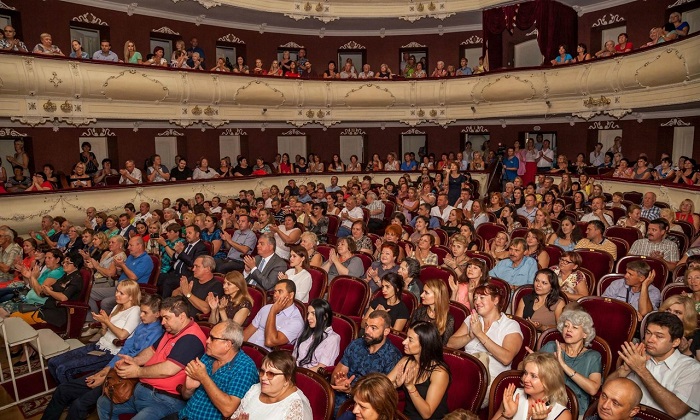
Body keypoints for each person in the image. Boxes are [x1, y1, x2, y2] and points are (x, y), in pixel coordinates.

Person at [41, 294, 164, 420]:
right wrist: (105, 369)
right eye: (141, 311)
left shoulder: (158, 333)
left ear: (157, 314)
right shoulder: (142, 325)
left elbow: (137, 362)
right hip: (114, 367)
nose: (141, 315)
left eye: (145, 312)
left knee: (78, 404)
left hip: (125, 377)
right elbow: (125, 349)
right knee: (62, 390)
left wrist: (105, 377)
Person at [95, 296, 206, 419]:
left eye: (166, 318)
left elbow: (169, 369)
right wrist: (134, 360)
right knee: (103, 404)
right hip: (144, 392)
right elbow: (151, 351)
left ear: (182, 317)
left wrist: (137, 371)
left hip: (164, 400)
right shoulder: (172, 330)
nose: (162, 322)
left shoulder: (191, 338)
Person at [607, 312, 700, 419]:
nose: (650, 339)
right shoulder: (638, 357)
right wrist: (624, 369)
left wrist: (641, 370)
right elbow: (606, 392)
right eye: (648, 333)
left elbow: (676, 410)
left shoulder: (693, 369)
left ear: (675, 342)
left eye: (659, 336)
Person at [48, 280, 141, 384]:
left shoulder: (135, 310)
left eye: (121, 293)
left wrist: (106, 321)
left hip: (110, 352)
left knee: (62, 369)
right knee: (53, 362)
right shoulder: (117, 307)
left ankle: (68, 393)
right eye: (117, 291)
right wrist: (104, 325)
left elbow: (122, 335)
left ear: (132, 296)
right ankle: (65, 389)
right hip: (99, 346)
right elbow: (104, 334)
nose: (116, 295)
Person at [447, 283, 523, 404]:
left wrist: (479, 334)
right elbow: (450, 344)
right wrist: (470, 335)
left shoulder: (510, 325)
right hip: (464, 371)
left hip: (490, 379)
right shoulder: (472, 319)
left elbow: (506, 358)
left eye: (482, 297)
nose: (477, 302)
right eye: (475, 298)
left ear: (496, 300)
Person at [176, 320, 259, 420]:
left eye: (212, 338)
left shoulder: (245, 368)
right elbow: (185, 396)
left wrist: (204, 378)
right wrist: (188, 389)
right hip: (184, 415)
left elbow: (228, 410)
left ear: (228, 345)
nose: (207, 341)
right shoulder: (208, 356)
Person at [331, 310, 402, 412]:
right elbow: (337, 374)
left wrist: (351, 390)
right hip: (338, 396)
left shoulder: (392, 357)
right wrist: (339, 381)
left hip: (363, 407)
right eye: (367, 326)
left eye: (373, 328)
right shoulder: (356, 344)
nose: (367, 331)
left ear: (386, 331)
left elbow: (379, 396)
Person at [387, 322, 450, 420]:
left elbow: (427, 413)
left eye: (410, 340)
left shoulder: (439, 372)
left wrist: (411, 387)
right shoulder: (406, 361)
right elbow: (382, 385)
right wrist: (395, 384)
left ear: (424, 344)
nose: (404, 342)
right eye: (406, 337)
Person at [231, 350, 312, 419]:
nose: (263, 378)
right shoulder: (255, 389)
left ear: (287, 379)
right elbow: (234, 417)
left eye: (271, 374)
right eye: (262, 371)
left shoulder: (296, 407)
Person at [493, 352, 572, 420]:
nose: (525, 379)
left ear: (549, 381)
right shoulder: (514, 396)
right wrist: (506, 416)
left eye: (533, 376)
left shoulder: (562, 415)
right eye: (525, 373)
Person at [243, 279, 304, 351]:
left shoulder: (296, 321)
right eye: (275, 291)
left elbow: (270, 341)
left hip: (265, 357)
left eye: (280, 292)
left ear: (291, 295)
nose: (275, 295)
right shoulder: (266, 308)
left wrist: (273, 311)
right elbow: (247, 333)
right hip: (246, 350)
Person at [159, 225, 209, 298]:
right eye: (186, 233)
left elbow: (193, 264)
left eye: (189, 233)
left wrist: (181, 252)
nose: (187, 235)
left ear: (197, 234)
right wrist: (177, 252)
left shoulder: (201, 247)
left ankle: (165, 304)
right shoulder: (185, 244)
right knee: (160, 277)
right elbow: (174, 258)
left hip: (187, 275)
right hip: (174, 271)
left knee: (168, 282)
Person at [294, 298, 341, 371]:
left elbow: (321, 368)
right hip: (295, 370)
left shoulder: (333, 338)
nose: (309, 318)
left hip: (310, 376)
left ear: (325, 316)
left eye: (313, 314)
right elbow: (294, 357)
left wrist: (298, 373)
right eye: (308, 313)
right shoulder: (306, 331)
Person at [515, 269, 565, 333]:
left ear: (552, 287)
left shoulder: (559, 303)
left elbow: (561, 327)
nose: (538, 285)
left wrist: (542, 327)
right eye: (537, 281)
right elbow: (516, 322)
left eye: (544, 283)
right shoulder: (525, 299)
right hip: (523, 334)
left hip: (545, 338)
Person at [410, 279, 455, 345]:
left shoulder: (448, 319)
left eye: (426, 293)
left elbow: (444, 346)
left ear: (437, 296)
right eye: (423, 292)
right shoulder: (420, 311)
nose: (421, 295)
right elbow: (410, 334)